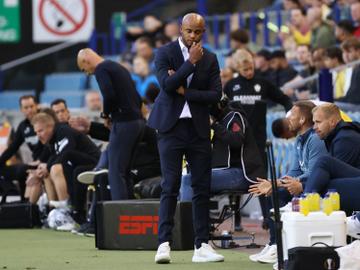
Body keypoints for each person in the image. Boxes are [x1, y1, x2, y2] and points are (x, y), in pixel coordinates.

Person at [148, 13, 224, 264]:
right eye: (189, 31)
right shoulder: (164, 53)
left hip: (199, 129)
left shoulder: (211, 58)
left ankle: (201, 244)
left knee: (202, 188)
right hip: (170, 128)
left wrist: (186, 90)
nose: (193, 36)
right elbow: (166, 85)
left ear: (204, 32)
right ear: (181, 29)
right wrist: (190, 63)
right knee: (170, 186)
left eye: (198, 32)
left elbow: (215, 95)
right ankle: (163, 244)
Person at [249, 101, 328, 268]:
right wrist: (274, 183)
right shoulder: (300, 139)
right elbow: (294, 171)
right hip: (302, 184)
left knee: (279, 194)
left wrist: (277, 183)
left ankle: (278, 245)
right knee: (275, 192)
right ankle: (274, 244)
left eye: (292, 114)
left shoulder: (315, 139)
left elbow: (315, 173)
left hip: (316, 187)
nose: (288, 118)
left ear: (302, 120)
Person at [77, 48, 145, 200]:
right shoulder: (118, 67)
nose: (88, 73)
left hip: (124, 122)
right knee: (125, 171)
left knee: (115, 171)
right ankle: (129, 213)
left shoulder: (101, 69)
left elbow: (108, 94)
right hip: (138, 122)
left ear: (86, 61)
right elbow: (137, 97)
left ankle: (119, 214)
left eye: (84, 69)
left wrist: (105, 114)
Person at [180, 100, 265, 201]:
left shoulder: (234, 117)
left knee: (188, 180)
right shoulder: (220, 121)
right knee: (179, 181)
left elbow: (237, 140)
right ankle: (194, 216)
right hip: (224, 171)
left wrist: (214, 125)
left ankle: (187, 217)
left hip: (242, 173)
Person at [0, 95, 46, 201]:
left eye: (31, 106)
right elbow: (13, 148)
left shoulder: (45, 121)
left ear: (37, 106)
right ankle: (11, 192)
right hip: (33, 163)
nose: (29, 110)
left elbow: (50, 145)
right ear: (21, 110)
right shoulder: (22, 126)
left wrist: (40, 160)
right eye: (26, 107)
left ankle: (25, 203)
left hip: (46, 161)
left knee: (22, 170)